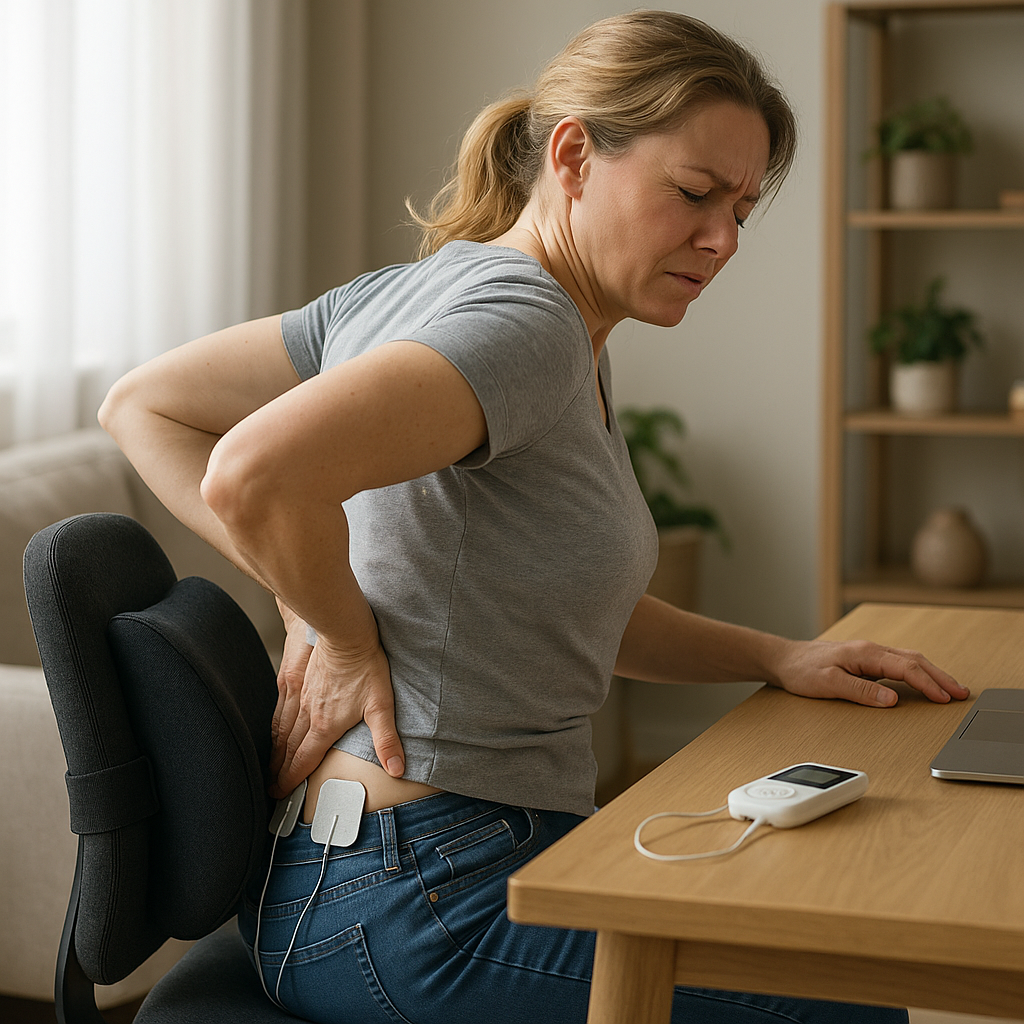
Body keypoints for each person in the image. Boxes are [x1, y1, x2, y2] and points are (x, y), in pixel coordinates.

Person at [99, 11, 967, 1024]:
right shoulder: (526, 326)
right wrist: (329, 625)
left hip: (395, 871)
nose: (723, 238)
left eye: (740, 206)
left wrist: (778, 655)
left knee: (810, 925)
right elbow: (246, 473)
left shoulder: (443, 300)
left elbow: (140, 405)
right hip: (412, 898)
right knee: (844, 1000)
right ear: (572, 155)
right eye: (692, 194)